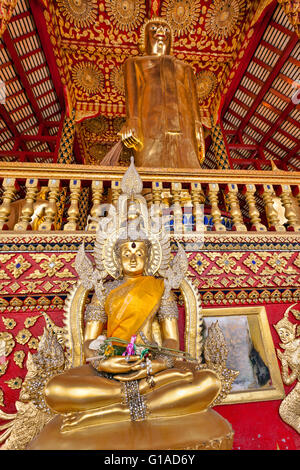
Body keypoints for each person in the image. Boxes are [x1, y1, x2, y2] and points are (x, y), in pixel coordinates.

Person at [44, 238, 221, 433]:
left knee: (209, 381)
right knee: (54, 389)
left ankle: (109, 410)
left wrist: (159, 364)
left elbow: (171, 340)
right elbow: (89, 342)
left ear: (149, 258)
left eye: (139, 254)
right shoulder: (103, 291)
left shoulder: (161, 290)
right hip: (111, 368)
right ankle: (138, 399)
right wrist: (101, 363)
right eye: (127, 255)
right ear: (117, 259)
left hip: (151, 366)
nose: (133, 259)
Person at [119, 17, 205, 169]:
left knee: (189, 166)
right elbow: (132, 94)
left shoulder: (185, 68)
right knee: (149, 165)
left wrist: (198, 130)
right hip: (150, 121)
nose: (160, 32)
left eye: (166, 30)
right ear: (144, 40)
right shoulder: (135, 62)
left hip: (185, 123)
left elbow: (193, 103)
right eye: (153, 29)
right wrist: (132, 120)